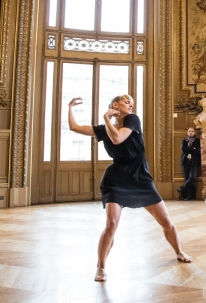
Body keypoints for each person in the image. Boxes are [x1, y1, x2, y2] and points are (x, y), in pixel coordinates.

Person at [67, 95, 192, 282]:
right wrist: (70, 107)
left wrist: (106, 119)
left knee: (166, 222)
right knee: (111, 224)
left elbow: (117, 139)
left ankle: (179, 251)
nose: (131, 105)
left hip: (140, 176)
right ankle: (101, 267)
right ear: (115, 105)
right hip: (116, 179)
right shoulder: (104, 129)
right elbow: (74, 127)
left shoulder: (133, 120)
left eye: (132, 103)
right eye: (127, 102)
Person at [179, 127, 200, 200]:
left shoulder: (197, 141)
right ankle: (188, 196)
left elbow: (198, 151)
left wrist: (189, 149)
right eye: (189, 131)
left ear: (194, 132)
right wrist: (192, 148)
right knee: (186, 178)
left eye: (192, 131)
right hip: (185, 161)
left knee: (192, 178)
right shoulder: (184, 141)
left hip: (194, 161)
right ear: (187, 132)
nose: (191, 132)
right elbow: (183, 149)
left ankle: (182, 189)